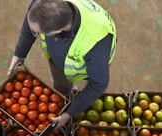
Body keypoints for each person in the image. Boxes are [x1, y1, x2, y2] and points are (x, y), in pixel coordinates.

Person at [8, 0, 117, 129]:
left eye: (40, 33)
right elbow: (31, 22)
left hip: (90, 62)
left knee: (89, 86)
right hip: (60, 59)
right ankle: (65, 93)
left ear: (58, 30)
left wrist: (68, 114)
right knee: (62, 87)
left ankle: (71, 99)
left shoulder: (96, 43)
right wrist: (19, 55)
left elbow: (99, 84)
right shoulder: (44, 4)